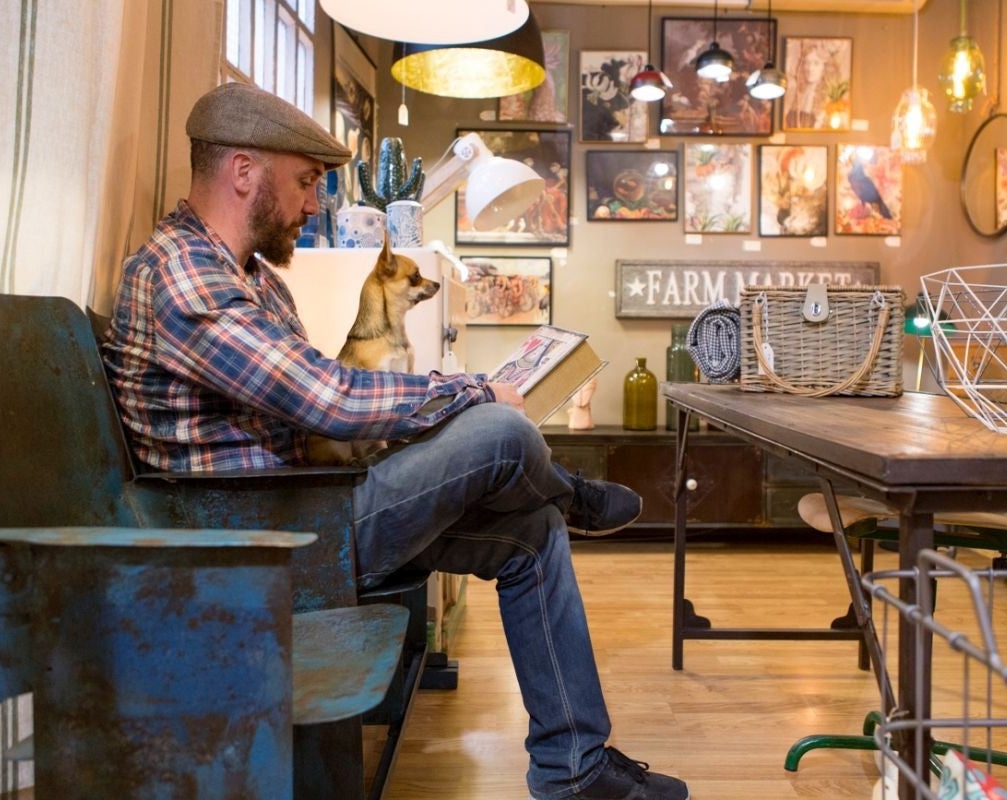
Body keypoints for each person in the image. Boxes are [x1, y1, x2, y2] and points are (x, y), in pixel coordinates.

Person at [101, 81, 690, 800]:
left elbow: (314, 402)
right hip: (267, 540)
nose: (312, 204)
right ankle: (570, 492)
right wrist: (471, 393)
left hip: (303, 510)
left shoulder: (247, 277)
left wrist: (435, 416)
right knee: (502, 428)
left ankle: (576, 769)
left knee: (531, 533)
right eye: (306, 182)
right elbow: (329, 399)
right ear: (244, 172)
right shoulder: (185, 276)